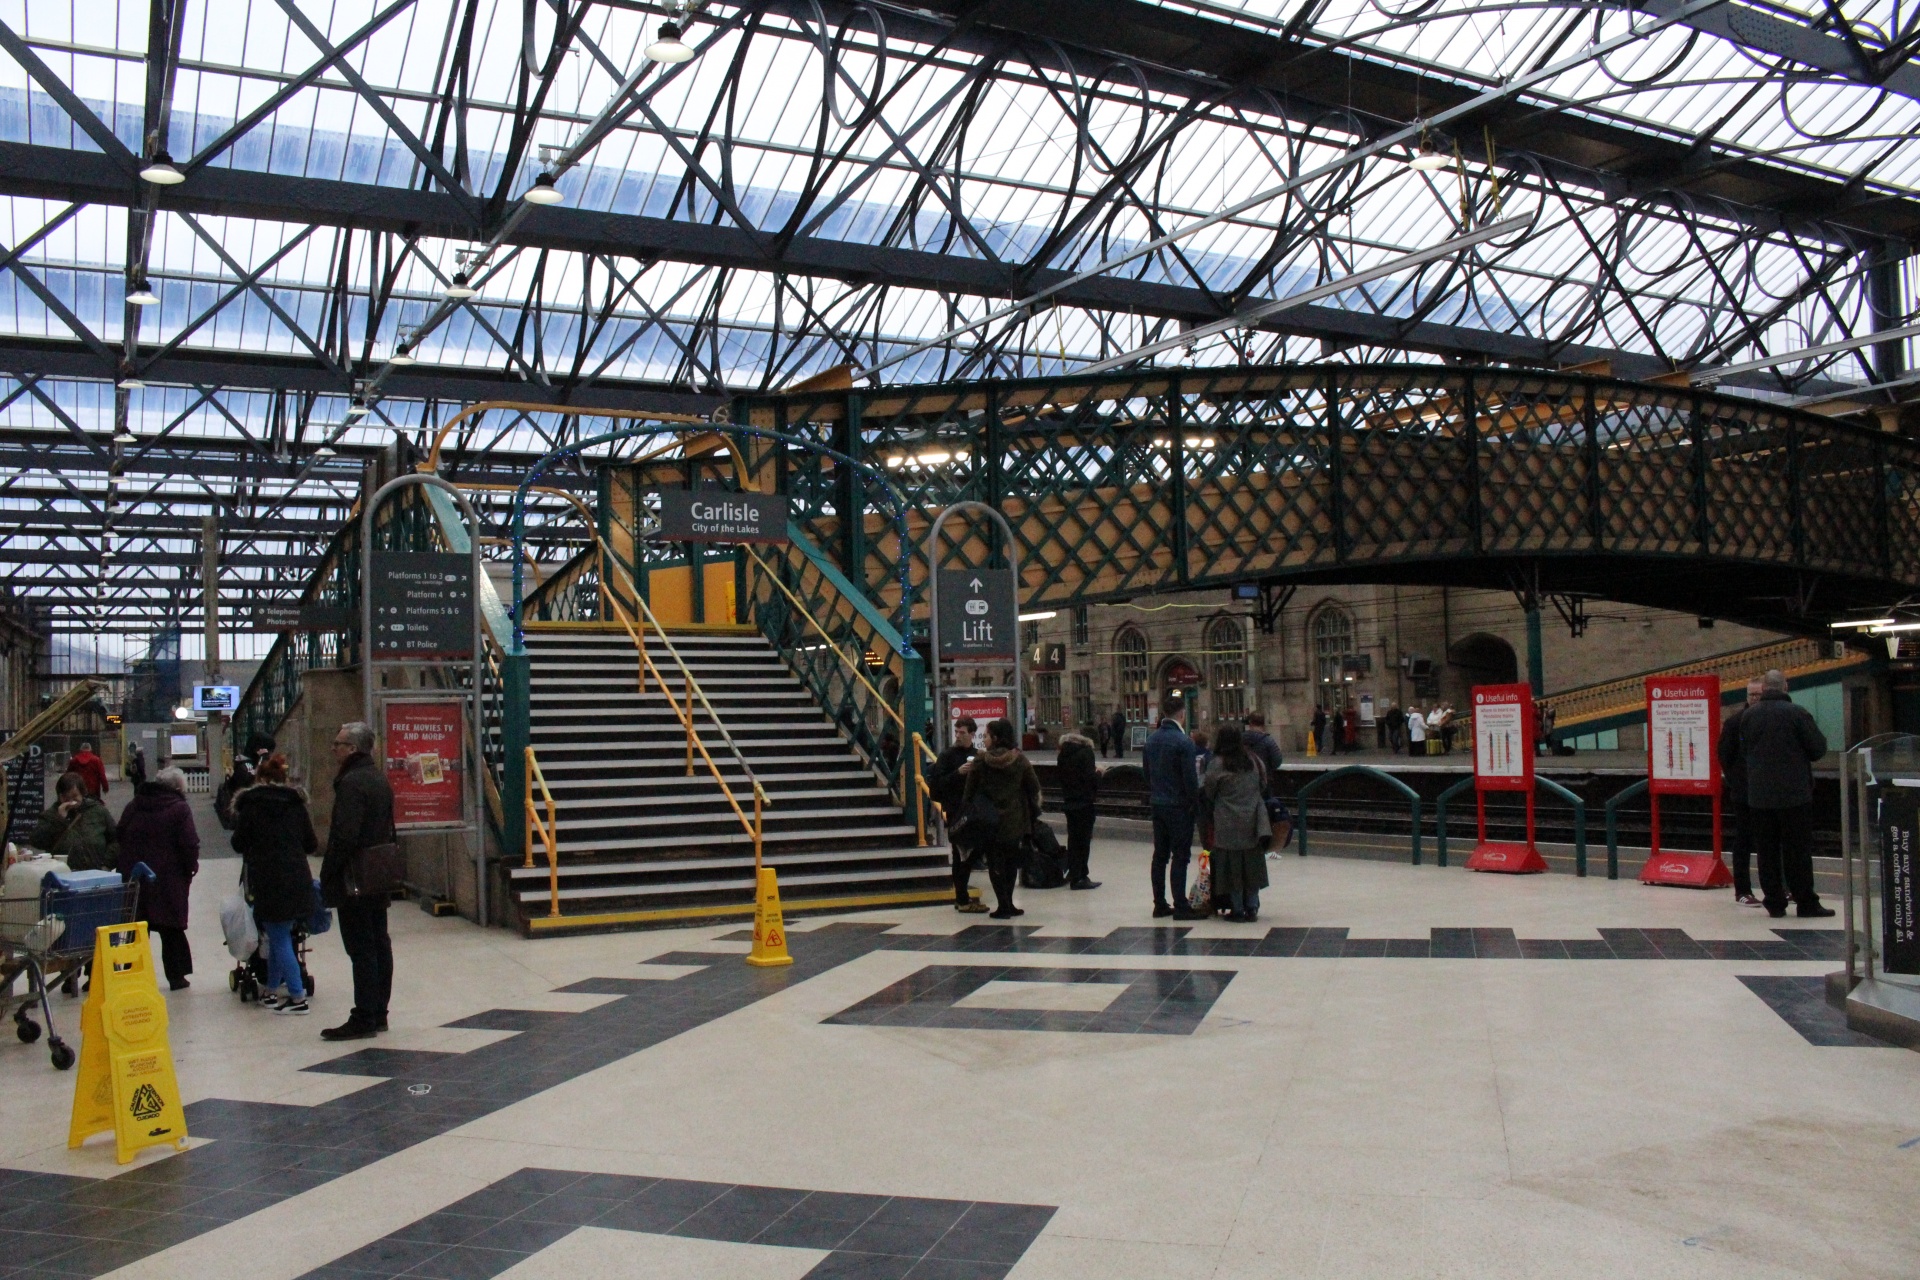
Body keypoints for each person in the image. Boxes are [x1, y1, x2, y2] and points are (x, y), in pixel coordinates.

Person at [320, 721, 396, 1040]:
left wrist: (329, 872)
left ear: (352, 749)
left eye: (338, 743)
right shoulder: (378, 779)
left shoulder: (351, 783)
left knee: (361, 947)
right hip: (377, 872)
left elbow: (344, 836)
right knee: (379, 942)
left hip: (355, 877)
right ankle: (378, 1011)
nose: (333, 748)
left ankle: (364, 1015)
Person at [1739, 669, 1832, 919]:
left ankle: (1774, 902)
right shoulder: (1797, 714)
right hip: (1794, 796)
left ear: (1765, 688)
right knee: (1797, 851)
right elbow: (1817, 749)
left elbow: (1744, 749)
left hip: (1759, 797)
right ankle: (1805, 902)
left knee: (1766, 851)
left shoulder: (1748, 717)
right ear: (1785, 687)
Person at [231, 753, 319, 1015]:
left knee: (277, 937)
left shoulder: (251, 806)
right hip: (298, 878)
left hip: (269, 880)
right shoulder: (296, 805)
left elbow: (238, 844)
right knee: (283, 935)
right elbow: (311, 844)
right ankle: (270, 989)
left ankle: (296, 996)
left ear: (259, 780)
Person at [116, 765, 199, 990]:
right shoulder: (179, 809)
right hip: (169, 878)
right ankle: (176, 976)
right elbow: (189, 843)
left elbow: (120, 833)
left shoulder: (134, 805)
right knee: (171, 928)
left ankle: (131, 974)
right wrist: (191, 866)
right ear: (178, 788)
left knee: (136, 926)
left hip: (136, 875)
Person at [959, 719, 1040, 919]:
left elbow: (968, 793)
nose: (984, 739)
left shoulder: (980, 762)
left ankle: (1002, 905)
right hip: (1015, 820)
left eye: (986, 735)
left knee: (995, 863)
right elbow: (1034, 786)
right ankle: (1010, 903)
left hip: (988, 821)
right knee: (1012, 861)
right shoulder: (1020, 760)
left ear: (995, 738)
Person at [1202, 724, 1271, 922]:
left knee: (1231, 867)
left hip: (1226, 821)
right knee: (1252, 864)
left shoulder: (1217, 764)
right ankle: (1252, 906)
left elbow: (1209, 791)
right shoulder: (1254, 761)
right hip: (1252, 820)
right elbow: (1263, 785)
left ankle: (1237, 908)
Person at [1142, 697, 1203, 919]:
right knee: (1180, 856)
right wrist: (1195, 807)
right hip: (1179, 808)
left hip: (1158, 805)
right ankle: (1180, 905)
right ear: (1182, 714)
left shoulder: (1151, 741)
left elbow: (1146, 775)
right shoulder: (1184, 743)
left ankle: (1159, 904)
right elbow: (1190, 780)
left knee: (1160, 856)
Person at [930, 718, 988, 913]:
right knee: (959, 854)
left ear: (972, 734)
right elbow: (936, 787)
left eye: (963, 732)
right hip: (956, 811)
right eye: (957, 732)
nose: (959, 736)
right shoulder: (947, 756)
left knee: (974, 852)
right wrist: (958, 774)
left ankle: (963, 896)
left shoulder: (978, 755)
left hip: (975, 811)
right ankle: (961, 898)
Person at [1717, 679, 1765, 907]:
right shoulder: (1735, 723)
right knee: (1744, 839)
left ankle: (1777, 888)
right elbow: (1724, 755)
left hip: (1767, 791)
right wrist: (1737, 781)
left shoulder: (1768, 720)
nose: (1754, 698)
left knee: (1770, 840)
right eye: (1751, 694)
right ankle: (1742, 890)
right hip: (1744, 792)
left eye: (1758, 694)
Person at [29, 771, 117, 871]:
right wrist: (59, 819)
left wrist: (107, 864)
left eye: (75, 796)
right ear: (60, 796)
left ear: (83, 794)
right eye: (66, 797)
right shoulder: (50, 815)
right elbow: (36, 840)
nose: (71, 801)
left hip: (96, 872)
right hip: (63, 873)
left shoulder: (98, 811)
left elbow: (116, 839)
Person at [1056, 727, 1101, 890]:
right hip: (1084, 803)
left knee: (1073, 840)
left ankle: (1074, 872)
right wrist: (1099, 774)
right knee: (1084, 841)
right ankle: (1080, 876)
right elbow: (1090, 780)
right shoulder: (1086, 752)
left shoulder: (1063, 755)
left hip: (1069, 803)